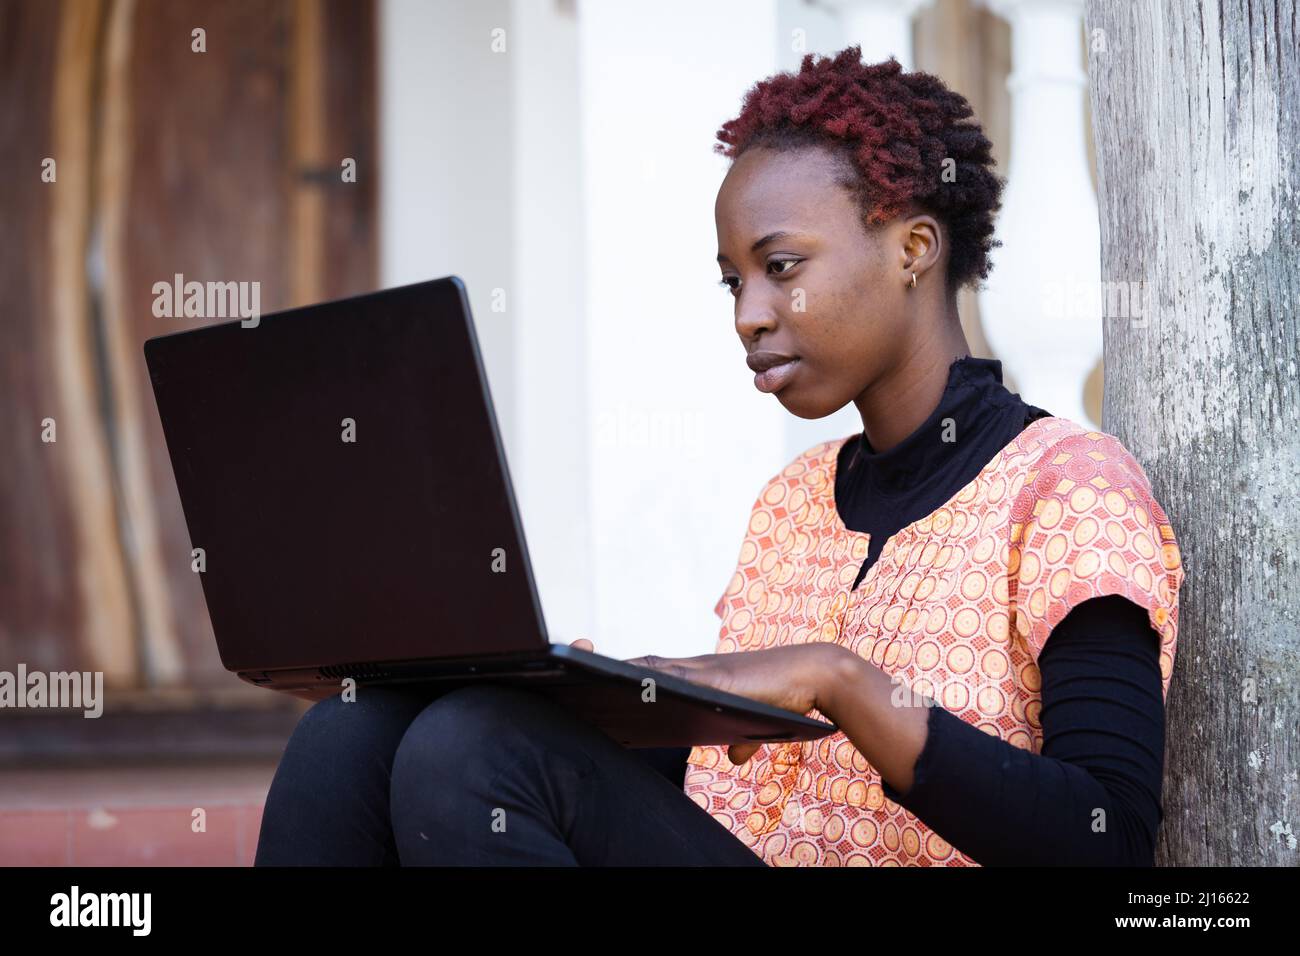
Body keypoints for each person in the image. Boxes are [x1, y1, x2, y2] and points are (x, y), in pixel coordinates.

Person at [255, 47, 1183, 867]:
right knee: (354, 730)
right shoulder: (795, 501)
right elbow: (740, 790)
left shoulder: (1068, 488)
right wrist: (587, 705)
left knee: (478, 748)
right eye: (732, 279)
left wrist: (839, 678)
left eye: (781, 267)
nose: (747, 313)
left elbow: (1103, 835)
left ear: (913, 248)